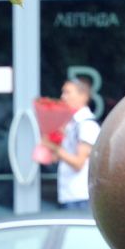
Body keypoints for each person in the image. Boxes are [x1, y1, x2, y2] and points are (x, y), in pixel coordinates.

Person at [50, 78, 100, 210]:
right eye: (63, 93)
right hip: (69, 193)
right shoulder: (71, 123)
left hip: (80, 194)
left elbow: (78, 163)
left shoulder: (87, 124)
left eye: (67, 93)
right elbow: (56, 157)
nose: (63, 97)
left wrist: (56, 149)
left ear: (83, 96)